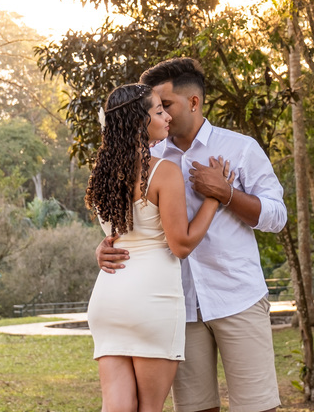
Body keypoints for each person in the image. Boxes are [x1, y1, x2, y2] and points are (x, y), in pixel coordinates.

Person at [97, 58, 287, 412]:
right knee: (195, 409)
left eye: (166, 105)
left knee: (258, 407)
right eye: (157, 109)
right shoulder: (148, 156)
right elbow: (136, 221)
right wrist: (106, 246)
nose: (162, 114)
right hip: (176, 306)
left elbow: (277, 216)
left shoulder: (239, 148)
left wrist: (227, 194)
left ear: (194, 102)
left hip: (236, 296)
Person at [85, 82, 230, 412]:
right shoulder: (163, 171)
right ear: (140, 121)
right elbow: (181, 245)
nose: (166, 116)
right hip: (151, 301)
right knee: (149, 408)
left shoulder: (103, 173)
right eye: (158, 111)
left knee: (117, 406)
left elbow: (119, 233)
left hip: (108, 298)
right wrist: (214, 198)